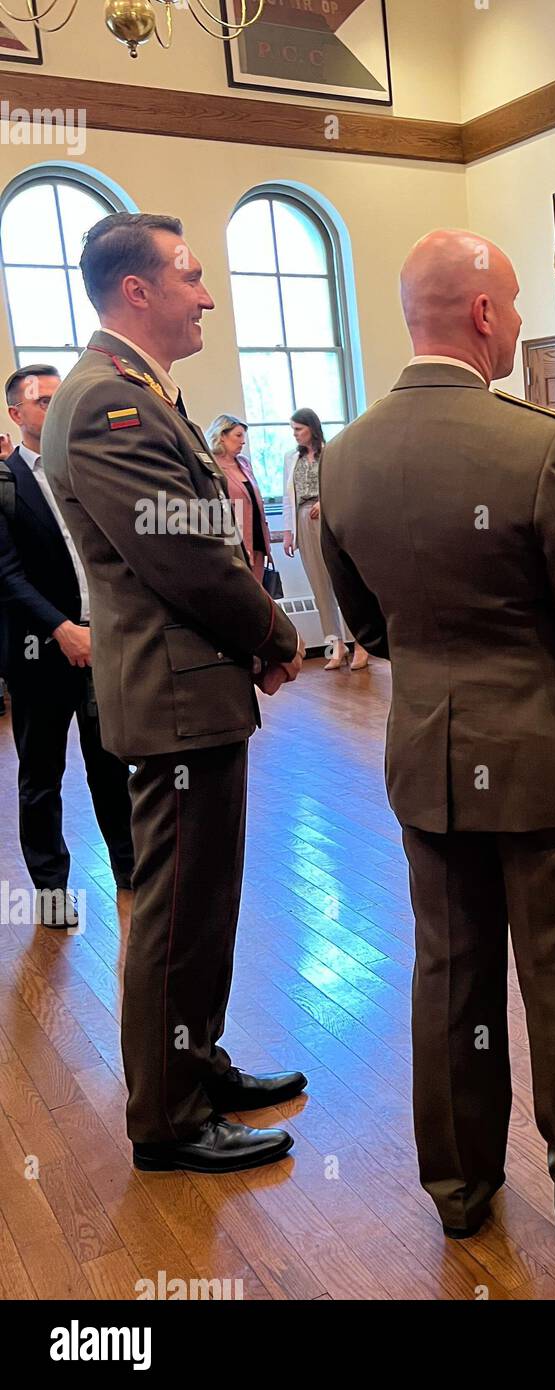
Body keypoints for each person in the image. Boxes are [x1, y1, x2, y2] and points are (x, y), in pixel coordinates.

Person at [319, 227, 555, 1245]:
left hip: (427, 753)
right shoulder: (539, 444)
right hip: (544, 760)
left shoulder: (345, 455)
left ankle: (463, 1189)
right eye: (511, 304)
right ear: (480, 315)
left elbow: (367, 624)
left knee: (449, 972)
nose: (516, 321)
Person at [41, 212, 308, 1172]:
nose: (207, 295)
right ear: (136, 292)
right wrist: (279, 637)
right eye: (191, 277)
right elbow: (187, 561)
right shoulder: (110, 403)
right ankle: (168, 1118)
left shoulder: (139, 392)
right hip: (176, 692)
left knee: (202, 898)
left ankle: (198, 1063)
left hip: (190, 688)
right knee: (173, 908)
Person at [0, 365, 134, 926]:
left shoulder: (83, 468)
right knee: (41, 776)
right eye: (43, 401)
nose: (56, 409)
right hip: (40, 651)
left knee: (112, 765)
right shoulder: (5, 484)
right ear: (15, 413)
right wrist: (62, 629)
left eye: (61, 399)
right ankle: (52, 892)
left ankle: (131, 871)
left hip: (103, 642)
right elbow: (6, 574)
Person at [282, 408, 367, 671]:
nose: (295, 434)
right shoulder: (290, 458)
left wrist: (325, 502)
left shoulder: (331, 453)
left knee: (345, 583)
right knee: (320, 588)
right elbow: (288, 497)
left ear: (312, 428)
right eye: (293, 429)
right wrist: (288, 531)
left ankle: (361, 646)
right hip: (304, 521)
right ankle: (336, 647)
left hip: (330, 521)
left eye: (299, 429)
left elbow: (344, 487)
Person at [206, 414, 272, 585]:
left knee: (260, 593)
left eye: (244, 436)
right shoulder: (212, 465)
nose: (243, 441)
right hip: (235, 539)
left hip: (257, 535)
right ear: (222, 436)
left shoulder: (244, 463)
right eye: (238, 435)